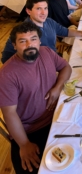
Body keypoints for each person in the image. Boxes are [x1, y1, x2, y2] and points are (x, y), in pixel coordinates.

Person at [0, 22, 72, 174]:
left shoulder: (47, 52)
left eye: (33, 39)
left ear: (39, 41)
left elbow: (66, 67)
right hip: (31, 130)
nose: (29, 44)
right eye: (22, 41)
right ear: (14, 45)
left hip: (57, 117)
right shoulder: (7, 74)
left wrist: (57, 88)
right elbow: (9, 113)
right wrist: (24, 144)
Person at [1, 0, 82, 63]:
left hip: (55, 59)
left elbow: (65, 31)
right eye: (38, 9)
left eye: (45, 8)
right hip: (41, 67)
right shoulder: (23, 31)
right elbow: (6, 58)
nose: (43, 12)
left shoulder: (49, 21)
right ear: (28, 11)